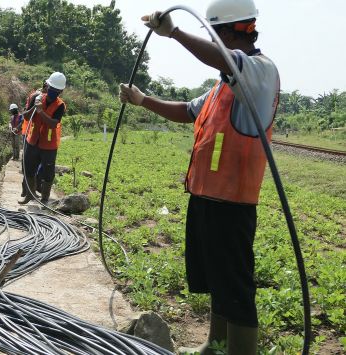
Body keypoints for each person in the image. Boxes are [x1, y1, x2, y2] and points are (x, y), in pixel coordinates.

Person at [118, 1, 278, 354]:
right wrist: (143, 100)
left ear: (227, 33)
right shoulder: (225, 85)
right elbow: (187, 111)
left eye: (213, 36)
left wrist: (174, 32)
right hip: (206, 196)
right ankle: (215, 344)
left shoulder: (259, 71)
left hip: (233, 203)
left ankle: (239, 351)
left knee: (235, 285)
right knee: (217, 280)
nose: (212, 43)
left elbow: (223, 59)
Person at [19, 72, 67, 204]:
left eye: (56, 91)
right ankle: (29, 195)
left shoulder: (60, 105)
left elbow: (53, 123)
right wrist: (35, 107)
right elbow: (26, 116)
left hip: (49, 145)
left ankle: (45, 198)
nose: (53, 92)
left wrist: (41, 112)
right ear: (47, 86)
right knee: (29, 168)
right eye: (51, 89)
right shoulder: (37, 98)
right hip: (33, 140)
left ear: (61, 91)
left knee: (48, 172)